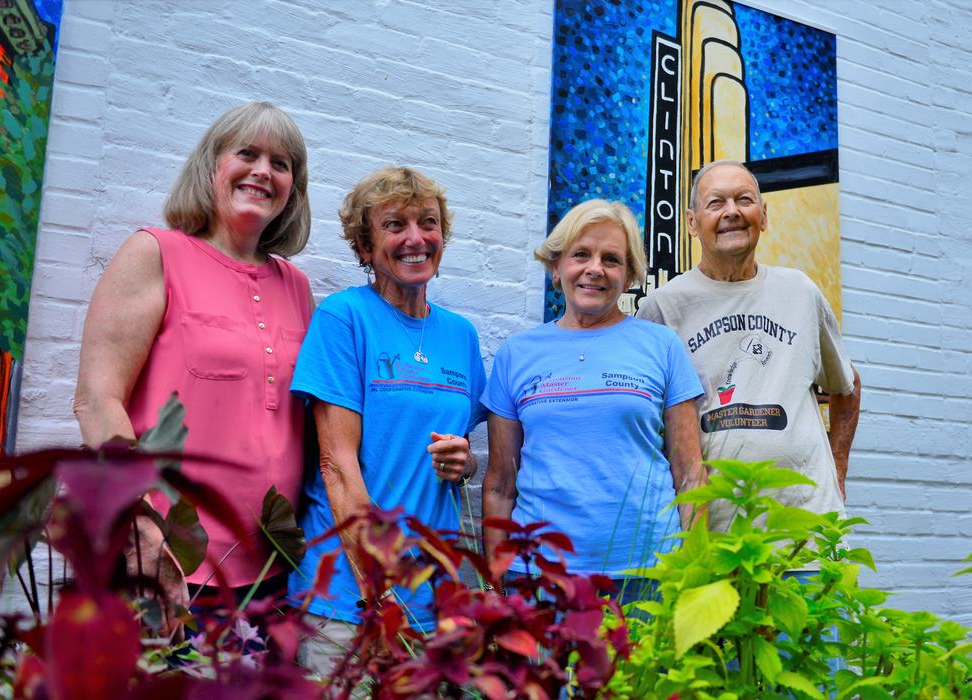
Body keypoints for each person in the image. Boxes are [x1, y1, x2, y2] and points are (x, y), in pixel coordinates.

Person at [74, 101, 314, 614]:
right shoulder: (155, 253)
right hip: (168, 564)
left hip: (272, 570)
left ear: (294, 185)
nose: (262, 172)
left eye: (280, 163)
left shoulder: (296, 286)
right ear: (211, 166)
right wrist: (139, 527)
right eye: (246, 153)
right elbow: (97, 400)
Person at [287, 167, 487, 672]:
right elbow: (337, 465)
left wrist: (462, 464)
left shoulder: (461, 335)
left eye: (428, 223)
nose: (415, 238)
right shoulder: (344, 318)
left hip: (432, 596)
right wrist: (379, 595)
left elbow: (453, 454)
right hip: (350, 596)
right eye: (395, 225)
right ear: (363, 246)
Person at [481, 199, 705, 605]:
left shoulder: (662, 346)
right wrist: (496, 587)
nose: (595, 268)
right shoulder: (517, 353)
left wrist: (690, 573)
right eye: (580, 254)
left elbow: (690, 474)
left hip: (648, 575)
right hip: (538, 578)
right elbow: (498, 484)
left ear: (630, 274)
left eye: (612, 259)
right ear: (556, 266)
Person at [637, 159, 861, 535]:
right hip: (709, 536)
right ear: (691, 223)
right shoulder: (661, 307)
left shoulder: (800, 292)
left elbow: (847, 387)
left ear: (764, 215)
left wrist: (837, 474)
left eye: (744, 199)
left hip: (805, 532)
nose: (732, 213)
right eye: (716, 203)